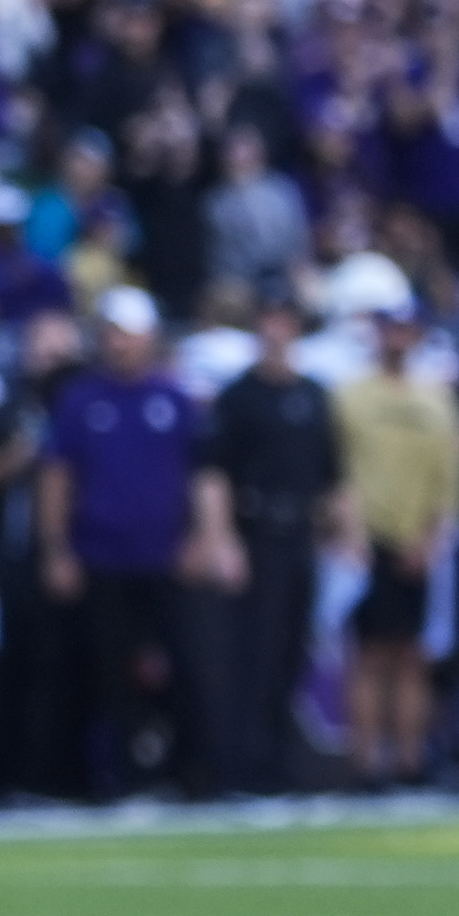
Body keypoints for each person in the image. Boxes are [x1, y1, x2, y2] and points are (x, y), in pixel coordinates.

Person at [38, 288, 211, 801]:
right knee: (107, 674)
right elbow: (57, 478)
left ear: (150, 339)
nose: (121, 344)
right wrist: (57, 548)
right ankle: (116, 777)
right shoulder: (81, 399)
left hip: (166, 556)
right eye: (113, 333)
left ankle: (188, 773)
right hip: (102, 556)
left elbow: (198, 476)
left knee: (185, 668)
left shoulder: (175, 399)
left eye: (130, 335)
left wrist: (202, 537)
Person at [325, 256, 459, 788]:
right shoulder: (350, 395)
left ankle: (409, 759)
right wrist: (350, 533)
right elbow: (338, 469)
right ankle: (365, 762)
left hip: (418, 540)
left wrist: (432, 539)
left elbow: (449, 476)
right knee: (368, 656)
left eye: (407, 327)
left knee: (411, 656)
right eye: (390, 327)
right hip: (367, 540)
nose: (398, 337)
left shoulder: (437, 398)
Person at [201, 297, 343, 794]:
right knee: (252, 654)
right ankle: (243, 766)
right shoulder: (239, 397)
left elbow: (331, 475)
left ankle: (282, 763)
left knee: (292, 651)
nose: (278, 329)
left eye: (286, 320)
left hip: (301, 534)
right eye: (270, 319)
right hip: (256, 532)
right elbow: (215, 474)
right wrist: (223, 541)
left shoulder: (313, 395)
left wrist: (342, 536)